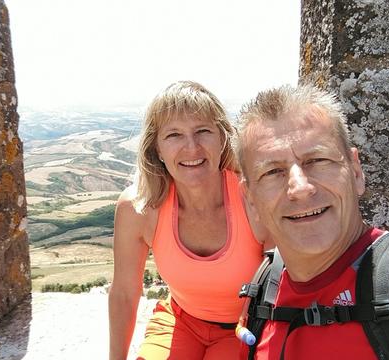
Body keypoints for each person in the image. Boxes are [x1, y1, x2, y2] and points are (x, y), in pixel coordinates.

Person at [234, 83, 389, 359]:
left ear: (355, 172)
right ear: (250, 199)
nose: (300, 188)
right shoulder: (263, 294)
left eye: (317, 160)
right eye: (272, 172)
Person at [108, 81, 272, 360]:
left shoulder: (253, 197)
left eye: (203, 131)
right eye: (174, 135)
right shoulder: (138, 207)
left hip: (242, 329)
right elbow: (124, 292)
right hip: (178, 321)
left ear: (222, 139)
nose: (191, 147)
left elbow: (282, 285)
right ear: (157, 149)